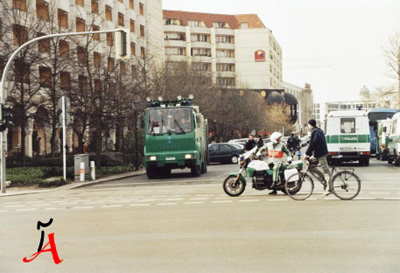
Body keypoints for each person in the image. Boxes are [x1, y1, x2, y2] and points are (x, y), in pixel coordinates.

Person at [304, 119, 331, 197]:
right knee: (310, 166)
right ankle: (323, 178)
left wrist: (307, 153)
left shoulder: (315, 131)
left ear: (310, 125)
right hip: (318, 154)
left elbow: (313, 144)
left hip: (321, 154)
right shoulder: (318, 130)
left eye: (308, 125)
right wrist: (309, 155)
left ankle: (329, 189)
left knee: (326, 172)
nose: (308, 127)